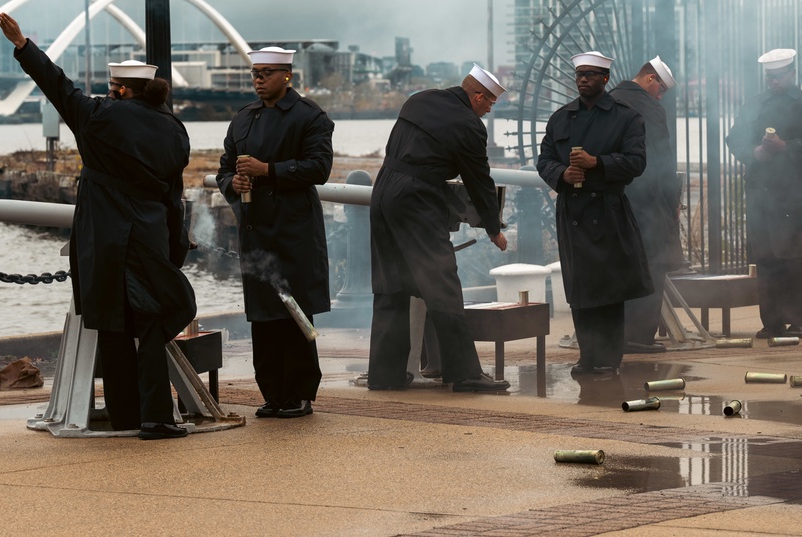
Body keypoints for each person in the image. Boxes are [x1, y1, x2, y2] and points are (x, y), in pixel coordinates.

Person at [0, 13, 195, 440]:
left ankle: (128, 416)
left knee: (113, 327)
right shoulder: (175, 130)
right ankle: (157, 415)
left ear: (122, 90)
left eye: (112, 88)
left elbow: (58, 87)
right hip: (149, 237)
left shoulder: (100, 117)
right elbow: (173, 195)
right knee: (152, 324)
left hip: (105, 240)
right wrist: (175, 247)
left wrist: (23, 45)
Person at [368, 65, 510, 393]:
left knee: (391, 284)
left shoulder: (419, 100)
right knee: (442, 282)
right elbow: (479, 180)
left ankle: (384, 374)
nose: (489, 109)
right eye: (489, 102)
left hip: (383, 192)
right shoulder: (468, 125)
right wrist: (493, 227)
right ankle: (464, 374)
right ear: (477, 96)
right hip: (416, 201)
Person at [216, 47, 335, 419]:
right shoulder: (243, 119)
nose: (258, 80)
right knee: (264, 316)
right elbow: (223, 170)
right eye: (255, 73)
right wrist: (232, 183)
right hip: (255, 230)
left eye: (266, 73)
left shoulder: (310, 116)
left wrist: (268, 169)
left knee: (294, 313)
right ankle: (272, 393)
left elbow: (319, 168)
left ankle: (299, 393)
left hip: (293, 231)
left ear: (287, 76)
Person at [536, 51, 652, 375]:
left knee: (609, 288)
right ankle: (588, 357)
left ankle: (608, 360)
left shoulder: (627, 117)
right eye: (579, 74)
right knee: (580, 288)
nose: (583, 79)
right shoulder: (560, 118)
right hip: (572, 210)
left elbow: (636, 162)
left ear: (605, 79)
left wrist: (597, 163)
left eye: (590, 74)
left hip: (608, 209)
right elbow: (544, 160)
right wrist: (561, 174)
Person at [725, 48, 802, 338]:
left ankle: (798, 320)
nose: (773, 82)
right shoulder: (754, 105)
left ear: (792, 73)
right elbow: (735, 139)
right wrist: (755, 152)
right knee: (766, 258)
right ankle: (771, 322)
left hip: (794, 195)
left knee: (794, 258)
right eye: (770, 77)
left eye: (779, 76)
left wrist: (788, 148)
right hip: (761, 194)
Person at [609, 56, 683, 353]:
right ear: (650, 78)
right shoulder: (649, 108)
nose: (661, 95)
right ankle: (639, 336)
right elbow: (662, 158)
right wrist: (673, 200)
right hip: (647, 201)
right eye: (661, 88)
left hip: (614, 198)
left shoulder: (610, 100)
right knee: (652, 264)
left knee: (619, 265)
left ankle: (615, 334)